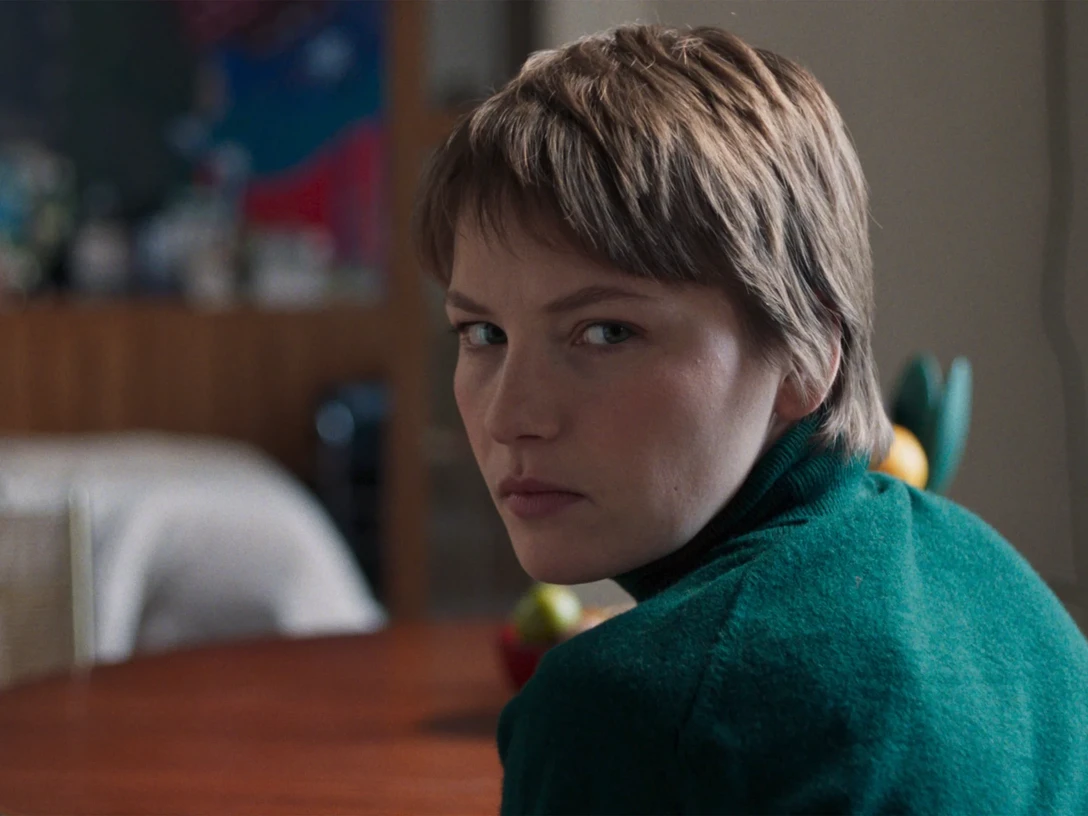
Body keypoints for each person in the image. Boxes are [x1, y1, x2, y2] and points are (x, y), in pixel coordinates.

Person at [413, 23, 1088, 815]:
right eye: (482, 334)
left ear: (805, 355)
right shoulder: (998, 584)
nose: (510, 416)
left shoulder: (627, 713)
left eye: (607, 332)